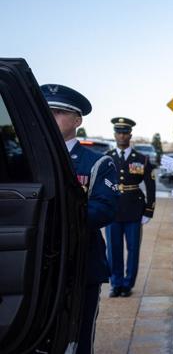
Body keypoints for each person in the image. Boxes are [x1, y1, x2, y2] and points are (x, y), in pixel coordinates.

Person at [40, 84, 118, 353]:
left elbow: (104, 209)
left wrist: (54, 220)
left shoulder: (96, 162)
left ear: (77, 120)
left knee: (78, 338)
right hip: (39, 263)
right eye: (46, 111)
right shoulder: (27, 157)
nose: (51, 117)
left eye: (59, 112)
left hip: (80, 262)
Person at [105, 117, 156, 297]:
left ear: (130, 135)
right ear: (114, 134)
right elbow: (101, 185)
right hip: (112, 211)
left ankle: (127, 284)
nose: (121, 136)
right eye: (118, 132)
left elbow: (150, 186)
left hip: (134, 210)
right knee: (113, 248)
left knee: (133, 249)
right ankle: (115, 283)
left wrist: (149, 210)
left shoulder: (142, 159)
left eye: (125, 133)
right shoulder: (107, 158)